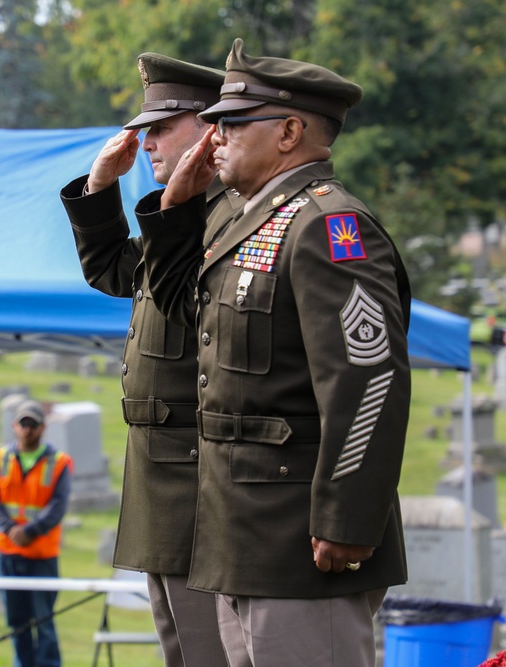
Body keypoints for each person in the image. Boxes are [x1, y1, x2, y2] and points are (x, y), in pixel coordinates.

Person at [137, 38, 412, 666]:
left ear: (289, 132)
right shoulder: (250, 223)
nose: (213, 134)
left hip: (300, 539)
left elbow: (367, 381)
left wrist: (347, 517)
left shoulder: (329, 227)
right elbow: (177, 309)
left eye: (232, 121)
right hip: (240, 534)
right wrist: (175, 210)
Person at [59, 52, 238, 667]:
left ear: (210, 127)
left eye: (161, 127)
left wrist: (171, 211)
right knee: (182, 647)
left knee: (209, 650)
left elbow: (179, 293)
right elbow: (114, 270)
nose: (147, 142)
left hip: (197, 468)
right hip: (160, 473)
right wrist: (101, 186)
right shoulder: (193, 215)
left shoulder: (230, 216)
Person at [0, 399, 73, 667]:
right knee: (16, 622)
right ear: (14, 426)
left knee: (43, 621)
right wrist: (10, 529)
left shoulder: (59, 462)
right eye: (23, 424)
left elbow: (58, 505)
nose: (27, 429)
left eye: (32, 424)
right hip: (6, 552)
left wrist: (30, 532)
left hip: (41, 554)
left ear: (43, 428)